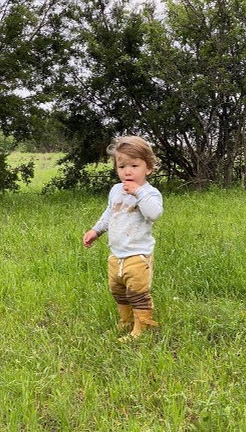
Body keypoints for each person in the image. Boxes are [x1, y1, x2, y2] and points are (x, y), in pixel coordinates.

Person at [83, 136, 163, 342]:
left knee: (137, 292)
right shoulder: (116, 190)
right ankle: (125, 321)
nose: (127, 171)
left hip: (138, 254)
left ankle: (142, 327)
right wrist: (96, 230)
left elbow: (153, 214)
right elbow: (110, 213)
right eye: (122, 166)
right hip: (117, 253)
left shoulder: (150, 193)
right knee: (118, 290)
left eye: (134, 165)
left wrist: (139, 193)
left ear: (149, 168)